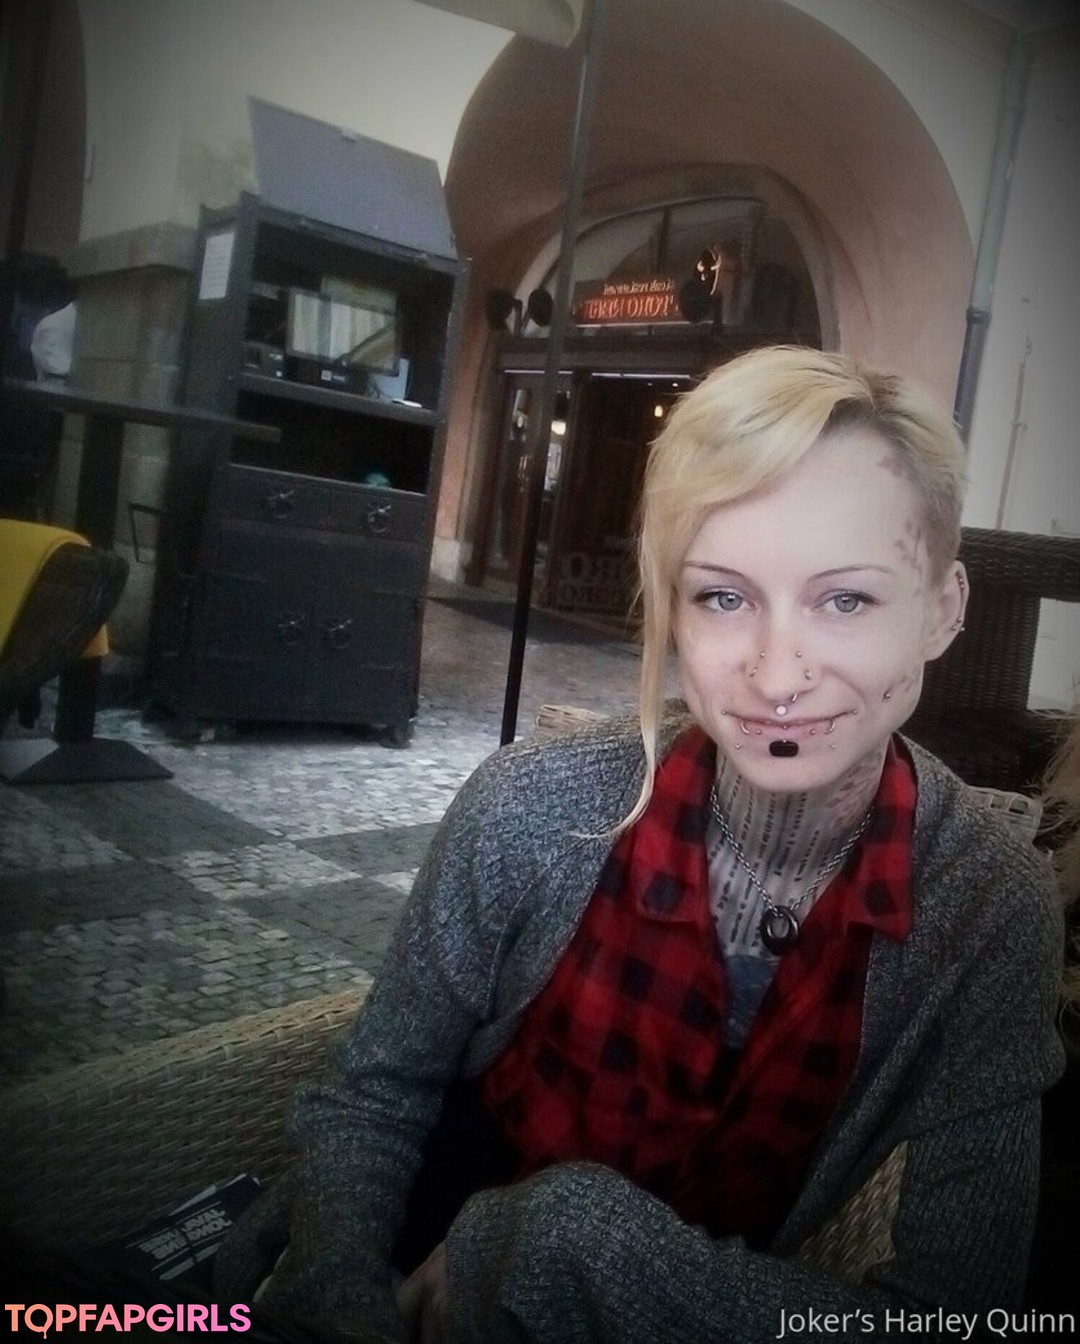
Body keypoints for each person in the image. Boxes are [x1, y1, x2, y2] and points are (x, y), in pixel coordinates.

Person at [217, 346, 1065, 1342]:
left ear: (943, 610)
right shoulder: (532, 806)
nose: (776, 675)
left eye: (846, 600)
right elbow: (371, 1099)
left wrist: (567, 1247)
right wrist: (343, 1303)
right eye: (722, 596)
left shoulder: (988, 911)